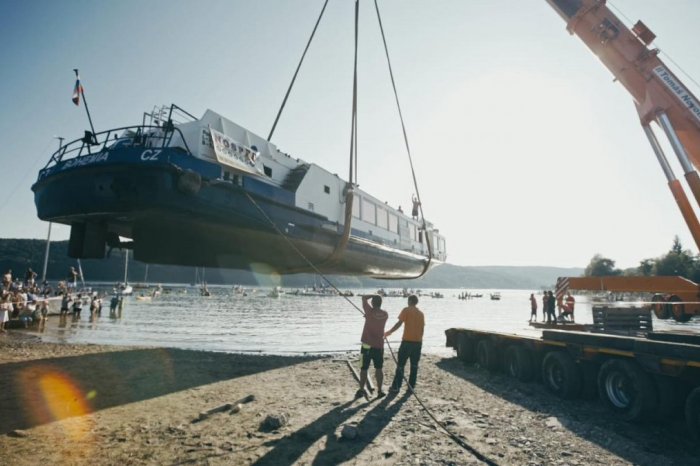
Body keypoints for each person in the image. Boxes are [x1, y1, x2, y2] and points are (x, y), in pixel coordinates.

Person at [385, 295, 425, 393]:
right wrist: (419, 340)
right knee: (414, 365)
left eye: (408, 301)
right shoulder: (421, 314)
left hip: (407, 342)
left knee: (401, 365)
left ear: (410, 301)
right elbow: (422, 329)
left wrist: (389, 332)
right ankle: (411, 387)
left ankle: (396, 387)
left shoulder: (406, 310)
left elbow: (399, 323)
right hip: (418, 342)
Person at [355, 295, 389, 400]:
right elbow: (376, 317)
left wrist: (373, 295)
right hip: (379, 345)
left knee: (363, 368)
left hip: (366, 345)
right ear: (381, 303)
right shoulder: (385, 314)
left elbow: (364, 298)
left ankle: (361, 390)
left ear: (373, 303)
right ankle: (380, 390)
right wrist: (368, 316)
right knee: (379, 368)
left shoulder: (369, 312)